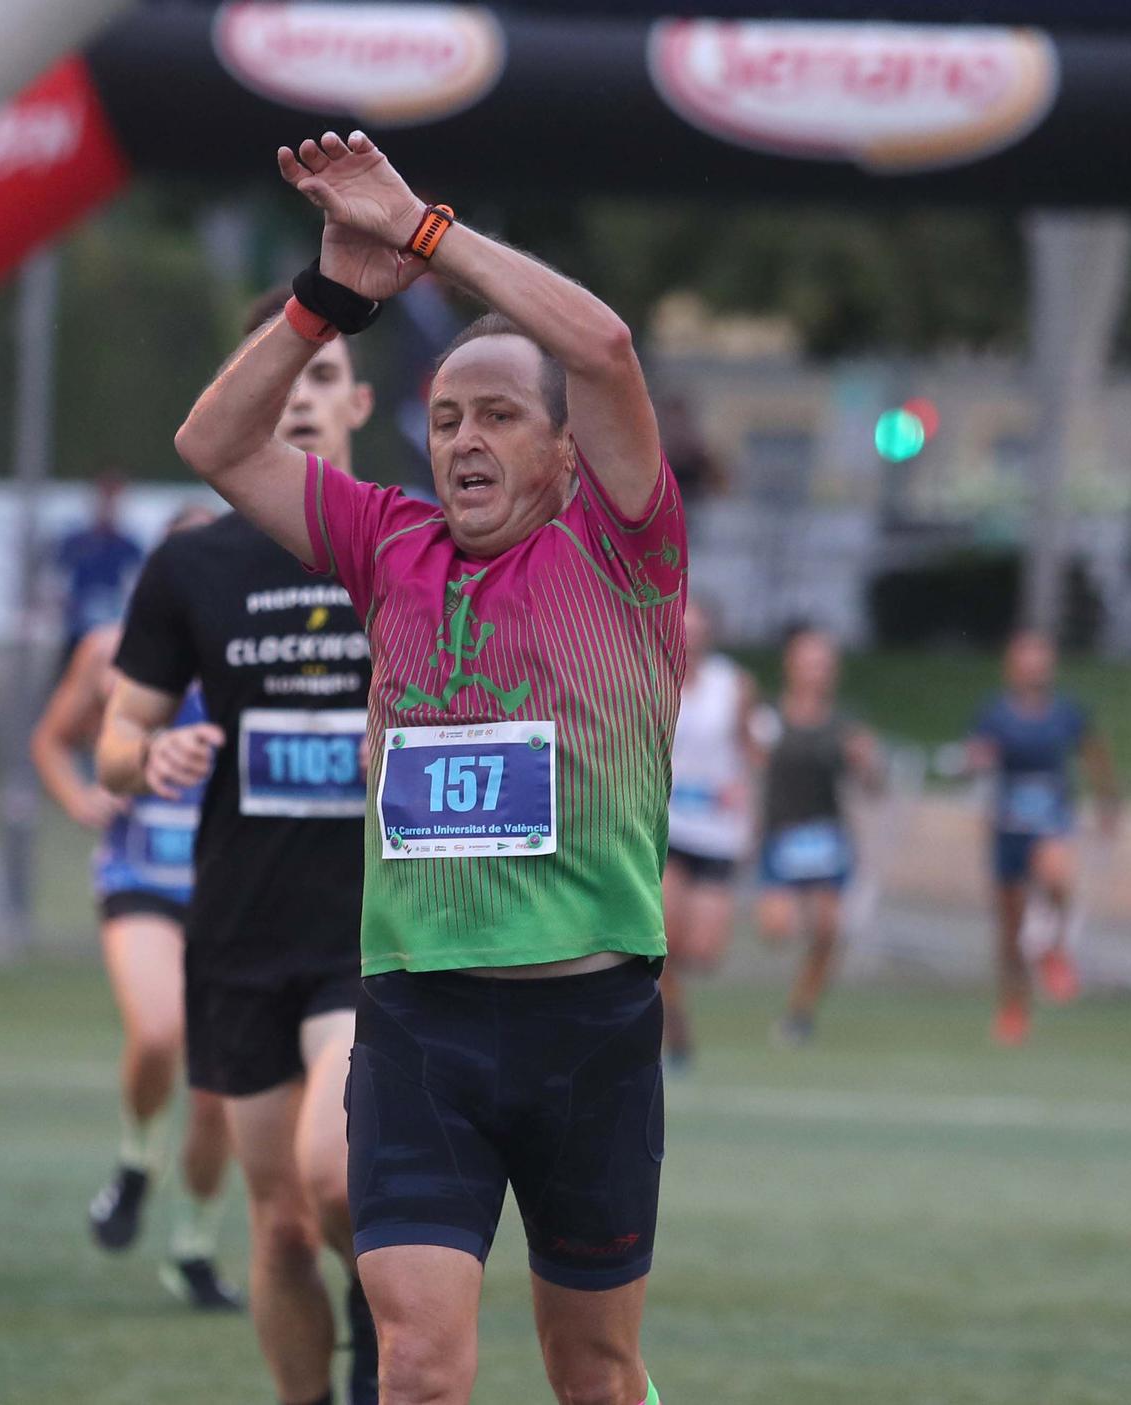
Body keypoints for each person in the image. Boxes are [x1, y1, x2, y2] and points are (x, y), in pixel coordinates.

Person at [173, 129, 686, 1405]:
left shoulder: (622, 551)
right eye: (445, 416)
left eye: (499, 417)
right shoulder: (386, 544)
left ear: (566, 454)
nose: (463, 437)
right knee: (416, 1369)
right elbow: (218, 444)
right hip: (418, 1021)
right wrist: (329, 296)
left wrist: (428, 237)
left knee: (596, 1371)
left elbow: (603, 349)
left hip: (591, 1026)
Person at [98, 289, 379, 1405]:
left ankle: (385, 1357)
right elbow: (122, 732)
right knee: (279, 1223)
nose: (300, 399)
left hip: (377, 930)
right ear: (243, 397)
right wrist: (143, 761)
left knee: (342, 1176)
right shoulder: (191, 568)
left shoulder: (403, 547)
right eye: (279, 377)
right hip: (239, 931)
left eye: (320, 379)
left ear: (357, 402)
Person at [30, 502, 240, 1309]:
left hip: (229, 881)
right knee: (158, 1031)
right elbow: (53, 737)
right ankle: (137, 1156)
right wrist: (83, 793)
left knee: (222, 1089)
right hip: (141, 874)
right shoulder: (112, 650)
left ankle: (191, 1247)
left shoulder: (254, 651)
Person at [965, 629, 1119, 1047]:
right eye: (1026, 658)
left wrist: (1108, 803)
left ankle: (1054, 948)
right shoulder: (995, 713)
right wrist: (975, 761)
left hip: (1051, 821)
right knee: (1009, 930)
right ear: (1012, 666)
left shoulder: (1066, 713)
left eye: (1041, 657)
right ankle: (1013, 1007)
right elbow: (976, 756)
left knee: (1057, 877)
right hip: (1008, 829)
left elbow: (1094, 754)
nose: (1034, 666)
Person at [755, 624, 882, 1048]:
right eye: (808, 661)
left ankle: (801, 1010)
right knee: (776, 929)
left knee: (828, 929)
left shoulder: (845, 724)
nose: (816, 670)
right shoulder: (767, 717)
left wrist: (866, 764)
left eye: (823, 663)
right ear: (790, 665)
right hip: (781, 836)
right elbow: (747, 767)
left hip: (827, 836)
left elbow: (872, 786)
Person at [661, 595, 759, 1068]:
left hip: (718, 831)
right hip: (668, 825)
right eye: (683, 626)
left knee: (702, 952)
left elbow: (753, 750)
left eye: (698, 627)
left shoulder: (734, 684)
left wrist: (750, 798)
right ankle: (674, 1026)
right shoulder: (652, 676)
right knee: (660, 940)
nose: (690, 635)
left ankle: (672, 1001)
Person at [51, 471, 145, 666]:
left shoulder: (129, 547)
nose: (108, 506)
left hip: (113, 633)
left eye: (114, 500)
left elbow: (136, 585)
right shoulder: (74, 543)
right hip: (77, 632)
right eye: (104, 498)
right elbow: (54, 581)